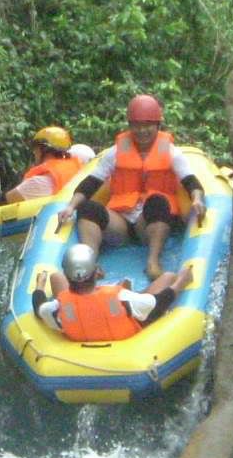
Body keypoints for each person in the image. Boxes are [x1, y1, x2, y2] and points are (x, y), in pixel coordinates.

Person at [56, 94, 206, 279]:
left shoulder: (172, 153)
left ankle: (153, 262)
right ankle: (91, 264)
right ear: (130, 125)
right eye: (137, 125)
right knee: (87, 208)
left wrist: (197, 199)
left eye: (148, 125)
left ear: (157, 125)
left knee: (159, 201)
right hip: (122, 224)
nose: (142, 130)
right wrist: (71, 206)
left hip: (149, 225)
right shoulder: (116, 152)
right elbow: (91, 183)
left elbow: (191, 181)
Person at [32, 243, 194, 342]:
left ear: (68, 276)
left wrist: (40, 285)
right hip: (126, 337)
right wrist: (181, 282)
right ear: (96, 272)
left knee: (55, 278)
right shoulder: (118, 296)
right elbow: (160, 302)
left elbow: (39, 307)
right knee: (169, 277)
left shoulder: (57, 308)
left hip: (83, 338)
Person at [4, 126, 82, 203]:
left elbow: (8, 199)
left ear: (43, 149)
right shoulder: (77, 168)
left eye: (35, 148)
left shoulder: (40, 182)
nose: (34, 152)